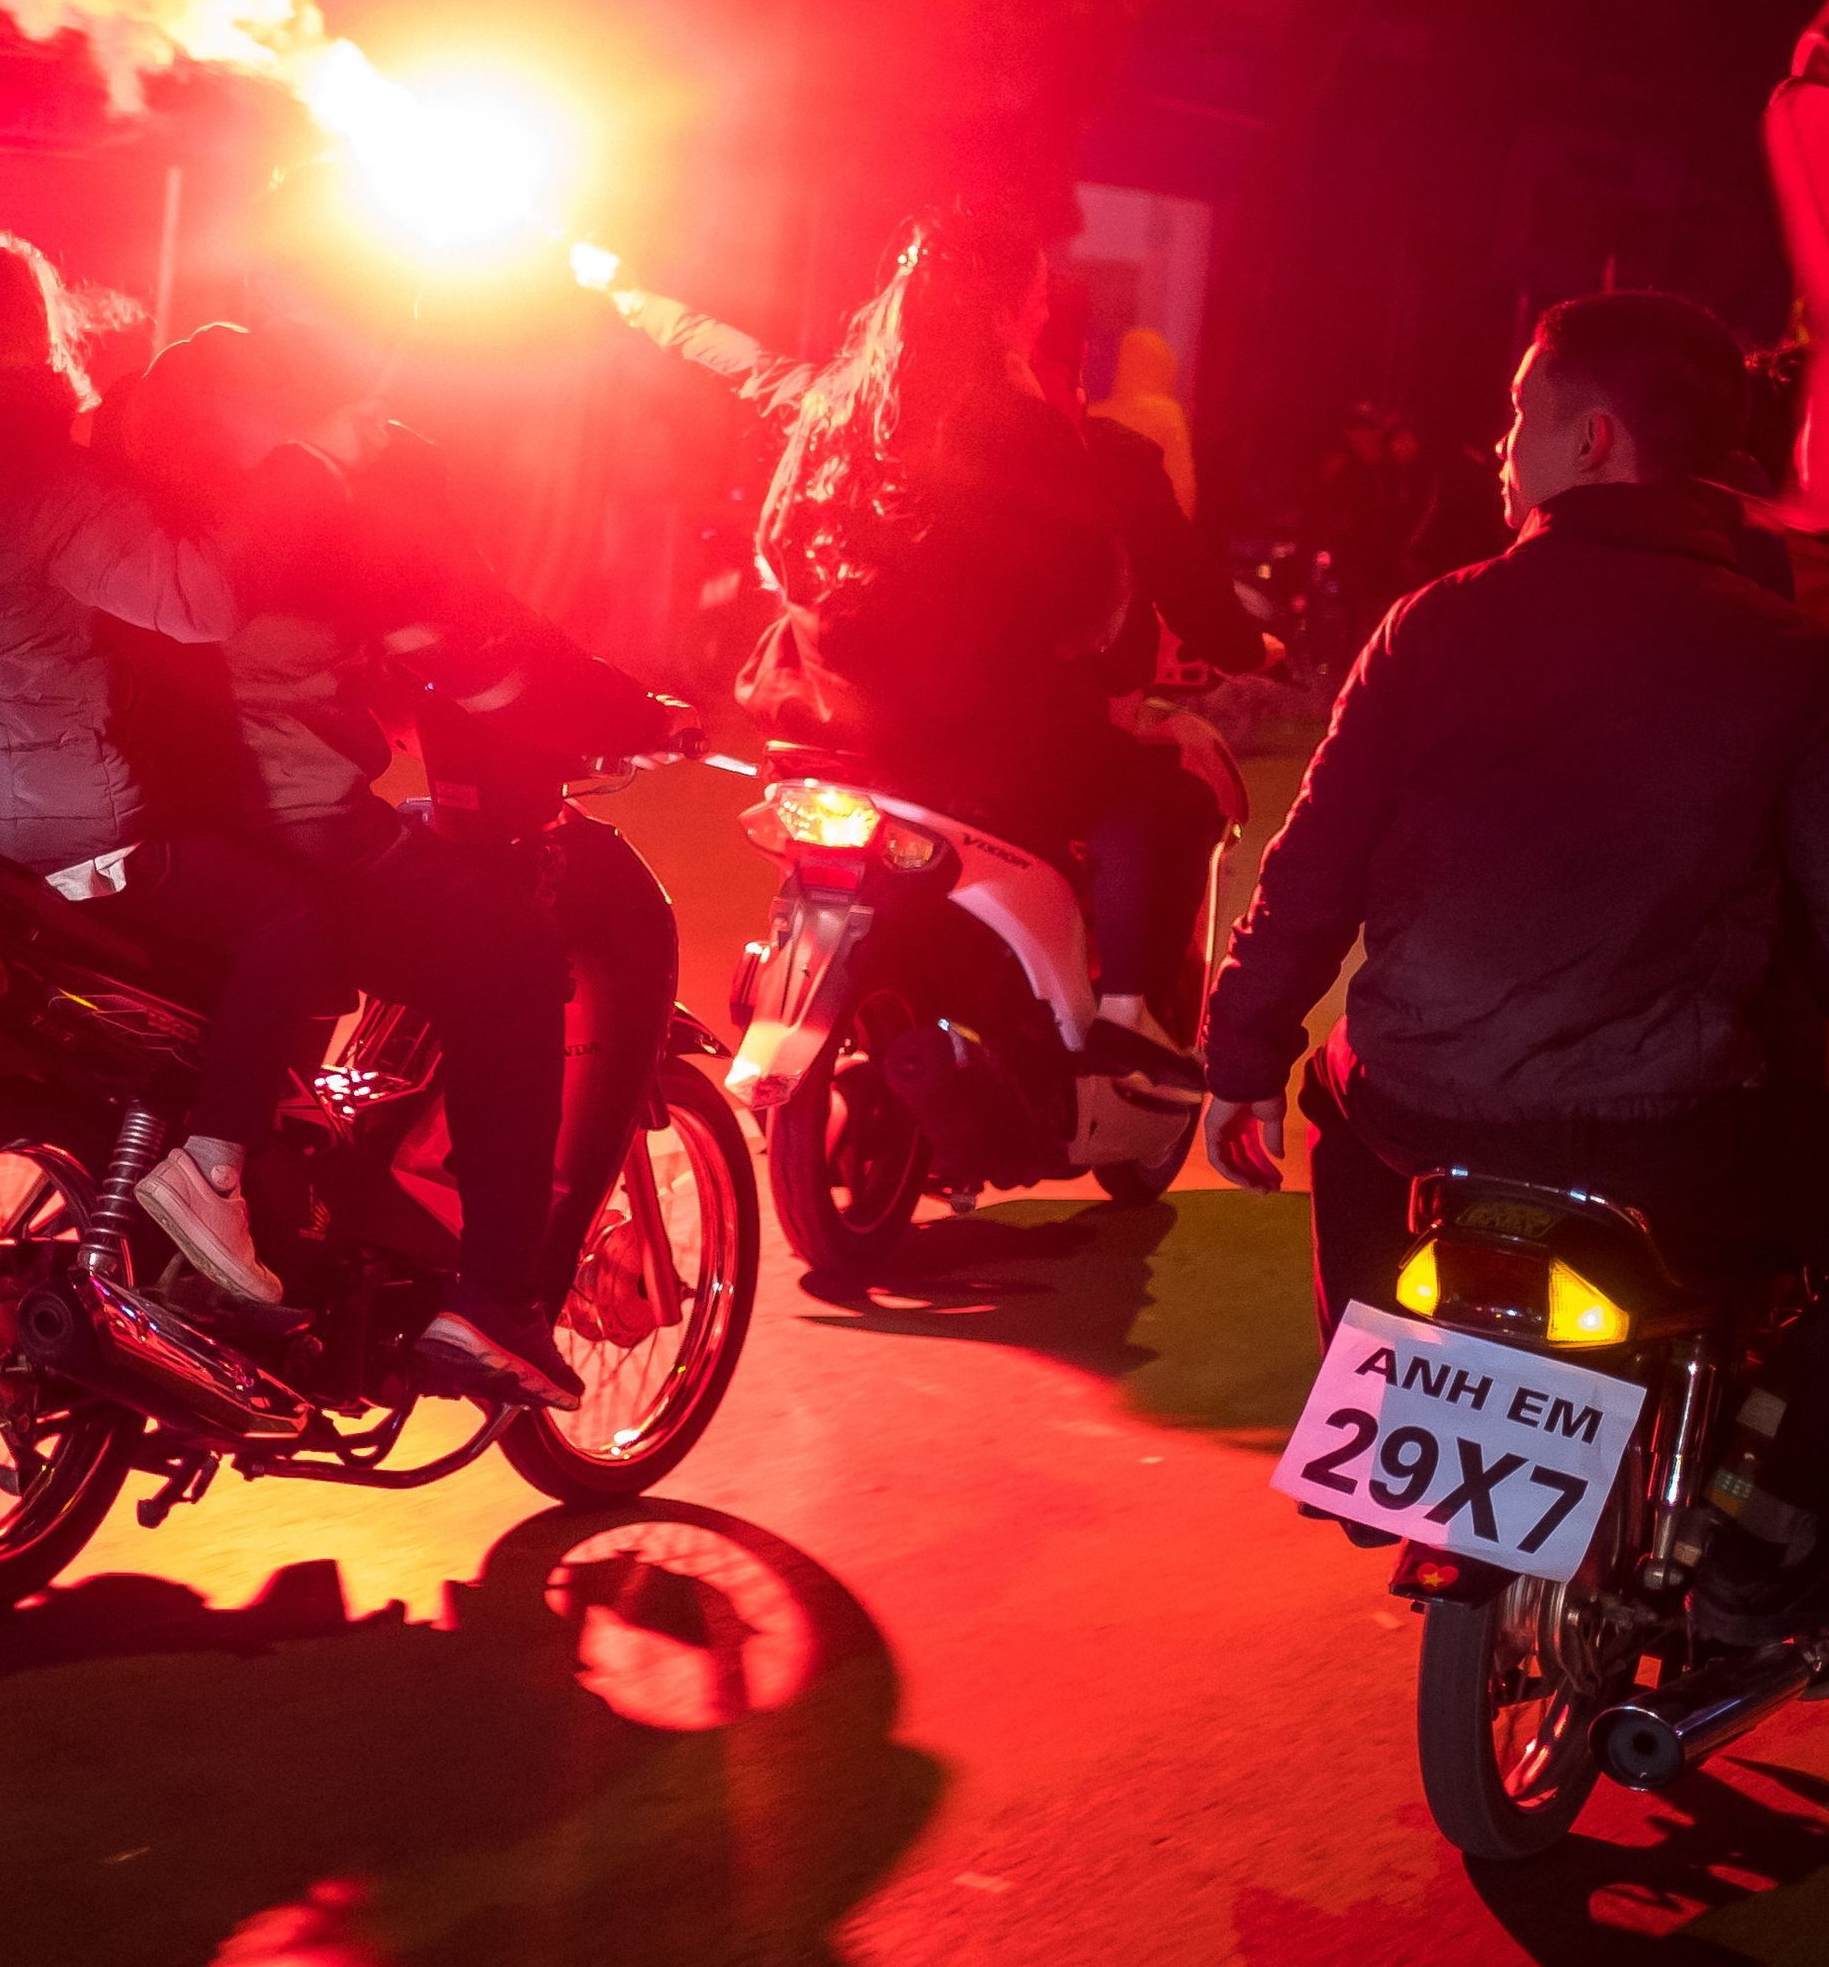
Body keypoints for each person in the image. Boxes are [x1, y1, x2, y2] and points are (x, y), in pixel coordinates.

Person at [1199, 290, 1829, 1643]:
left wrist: (1241, 1062)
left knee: (1333, 1085)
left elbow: (1305, 880)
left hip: (1420, 1107)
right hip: (1664, 1141)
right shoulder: (1792, 655)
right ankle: (1775, 1532)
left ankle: (1381, 1422)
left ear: (1595, 439)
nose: (1497, 448)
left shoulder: (1429, 623)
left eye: (1516, 419)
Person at [112, 314, 672, 1407]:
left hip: (124, 815)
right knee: (507, 955)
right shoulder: (325, 491)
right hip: (282, 822)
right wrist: (635, 713)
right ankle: (497, 1300)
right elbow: (484, 650)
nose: (379, 420)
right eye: (365, 403)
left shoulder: (147, 444)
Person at [744, 205, 1233, 1017]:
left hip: (824, 728)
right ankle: (1125, 1018)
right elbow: (1085, 601)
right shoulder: (1016, 428)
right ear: (1008, 306)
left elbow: (776, 542)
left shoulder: (833, 411)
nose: (1043, 310)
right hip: (977, 746)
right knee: (1170, 798)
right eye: (1036, 292)